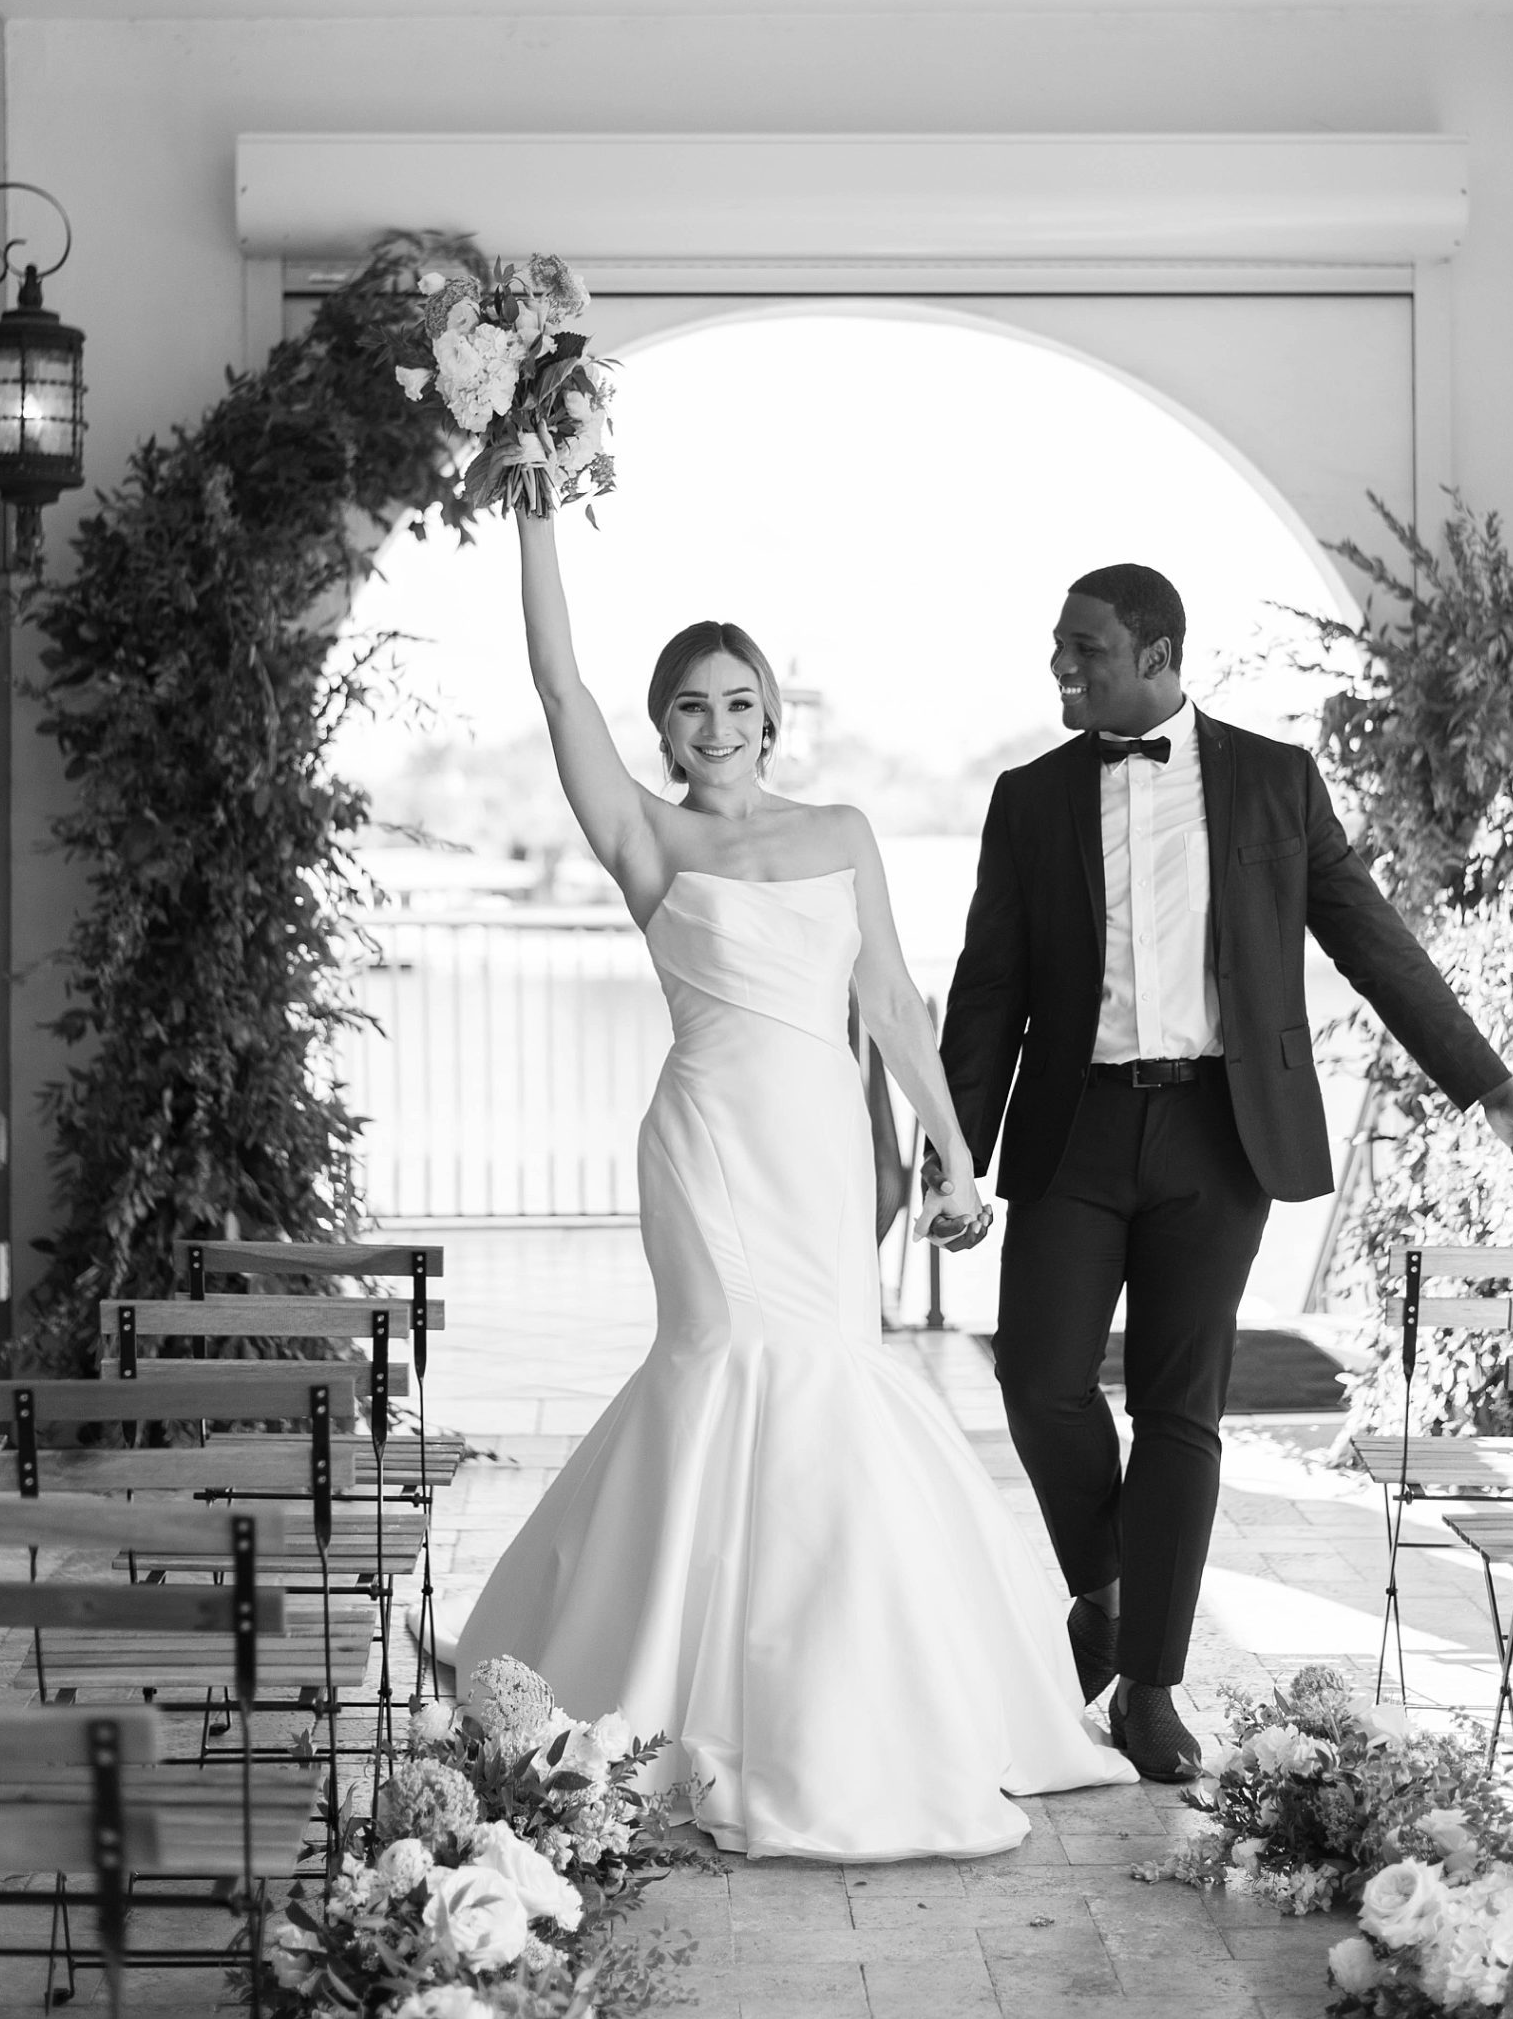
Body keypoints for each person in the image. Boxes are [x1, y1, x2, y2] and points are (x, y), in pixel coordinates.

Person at [449, 510, 1138, 1860]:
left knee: (831, 1373)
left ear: (774, 717)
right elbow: (555, 682)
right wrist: (535, 506)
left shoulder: (842, 830)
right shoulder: (647, 841)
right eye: (694, 707)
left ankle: (864, 1689)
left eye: (742, 702)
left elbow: (889, 998)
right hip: (709, 1145)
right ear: (664, 726)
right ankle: (659, 1688)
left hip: (825, 1153)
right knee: (716, 1372)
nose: (719, 725)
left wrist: (950, 1154)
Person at [932, 564, 1513, 1784]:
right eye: (1058, 649)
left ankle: (1151, 1688)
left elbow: (1372, 940)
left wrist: (1485, 1083)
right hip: (1073, 1128)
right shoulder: (1028, 798)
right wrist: (955, 1156)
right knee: (1038, 1376)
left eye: (1086, 651)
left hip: (1220, 1133)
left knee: (1182, 1408)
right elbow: (990, 988)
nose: (1062, 669)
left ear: (1159, 654)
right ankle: (1107, 1593)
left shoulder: (1275, 783)